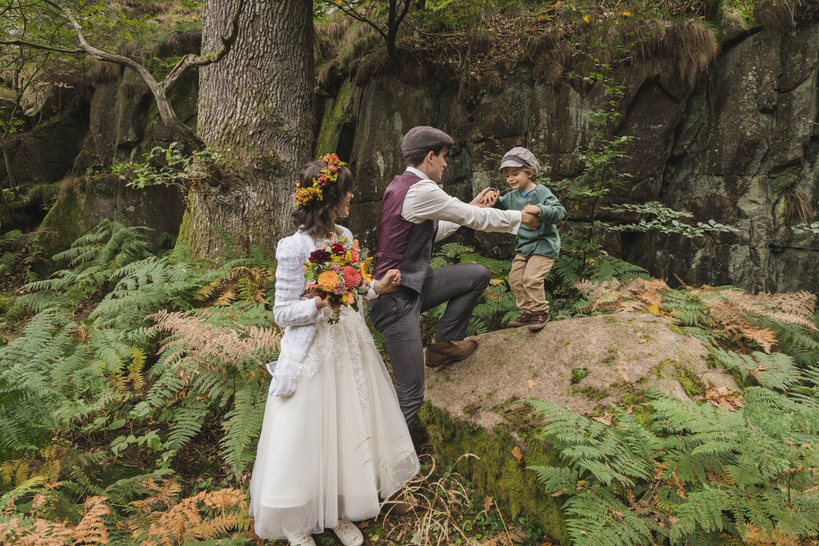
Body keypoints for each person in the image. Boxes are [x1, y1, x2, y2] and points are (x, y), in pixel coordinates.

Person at [249, 154, 420, 546]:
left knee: (349, 423)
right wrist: (318, 303)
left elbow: (356, 289)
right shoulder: (292, 247)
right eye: (346, 191)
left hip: (348, 345)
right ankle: (297, 521)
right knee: (306, 432)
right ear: (329, 198)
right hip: (312, 352)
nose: (352, 196)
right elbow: (281, 313)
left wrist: (379, 286)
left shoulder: (344, 237)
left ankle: (341, 508)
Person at [368, 126, 542, 425]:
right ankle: (390, 467)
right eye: (445, 157)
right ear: (431, 157)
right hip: (394, 300)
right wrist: (521, 218)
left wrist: (471, 206)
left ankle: (443, 345)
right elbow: (472, 218)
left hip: (414, 286)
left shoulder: (401, 185)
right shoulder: (421, 189)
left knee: (476, 275)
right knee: (410, 393)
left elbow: (433, 232)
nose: (447, 164)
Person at [486, 146, 566, 331]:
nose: (510, 179)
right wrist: (493, 197)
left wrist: (540, 209)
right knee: (515, 279)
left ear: (529, 172)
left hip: (544, 245)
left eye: (515, 173)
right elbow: (500, 207)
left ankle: (540, 312)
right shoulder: (512, 196)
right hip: (525, 246)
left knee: (531, 278)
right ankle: (528, 312)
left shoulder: (541, 192)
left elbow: (560, 212)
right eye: (507, 175)